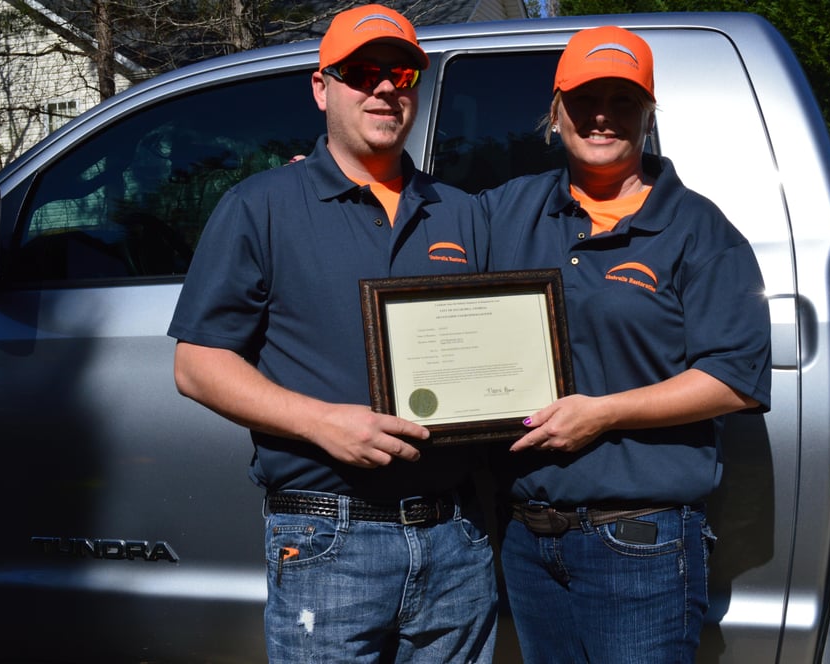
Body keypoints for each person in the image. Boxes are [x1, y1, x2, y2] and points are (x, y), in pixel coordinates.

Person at [168, 5, 496, 662]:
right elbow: (198, 363)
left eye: (400, 72)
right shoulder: (260, 207)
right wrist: (323, 423)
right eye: (360, 72)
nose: (383, 87)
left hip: (457, 542)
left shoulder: (461, 213)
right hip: (328, 538)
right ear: (322, 88)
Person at [479, 26, 772, 663]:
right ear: (555, 112)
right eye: (586, 98)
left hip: (640, 539)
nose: (603, 115)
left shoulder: (698, 229)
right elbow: (419, 241)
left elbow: (734, 379)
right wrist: (331, 179)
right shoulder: (507, 211)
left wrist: (603, 413)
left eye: (624, 98)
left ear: (649, 113)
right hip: (529, 542)